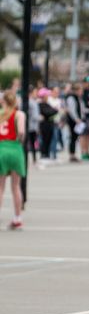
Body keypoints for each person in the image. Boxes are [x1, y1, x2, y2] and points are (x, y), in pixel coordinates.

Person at [0, 91, 27, 230]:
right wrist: (19, 142)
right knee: (16, 186)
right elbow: (21, 132)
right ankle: (17, 218)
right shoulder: (19, 114)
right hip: (15, 148)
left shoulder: (0, 114)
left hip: (1, 147)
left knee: (0, 187)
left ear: (3, 101)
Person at [35, 89, 57, 167]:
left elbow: (53, 111)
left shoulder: (47, 104)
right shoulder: (41, 104)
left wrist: (54, 110)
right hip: (44, 125)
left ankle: (47, 154)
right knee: (44, 140)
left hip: (49, 124)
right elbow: (49, 112)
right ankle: (44, 154)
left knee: (48, 140)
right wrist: (54, 110)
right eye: (47, 95)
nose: (48, 97)